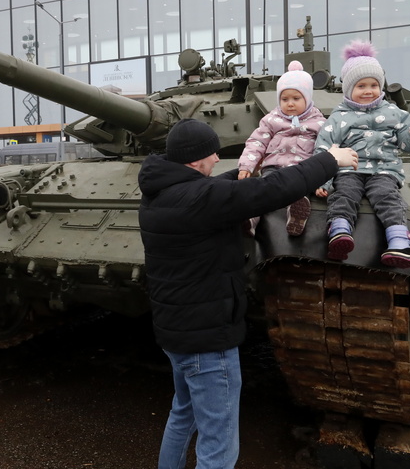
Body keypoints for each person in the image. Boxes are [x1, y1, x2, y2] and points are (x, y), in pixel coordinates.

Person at [138, 118, 358, 469]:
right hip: (207, 341)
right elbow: (270, 193)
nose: (216, 160)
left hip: (177, 333)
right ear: (196, 159)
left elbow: (221, 190)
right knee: (218, 444)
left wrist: (247, 172)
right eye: (213, 154)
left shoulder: (160, 192)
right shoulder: (203, 198)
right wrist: (329, 160)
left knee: (183, 415)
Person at [314, 40, 410, 268]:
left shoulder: (393, 112)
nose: (368, 91)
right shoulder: (339, 117)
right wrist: (324, 180)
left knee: (389, 199)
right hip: (350, 168)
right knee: (344, 195)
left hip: (384, 170)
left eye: (373, 85)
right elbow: (325, 147)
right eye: (361, 86)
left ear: (381, 87)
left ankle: (399, 243)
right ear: (349, 89)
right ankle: (340, 232)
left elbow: (407, 144)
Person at [237, 61, 327, 236]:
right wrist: (246, 165)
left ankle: (295, 215)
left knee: (299, 191)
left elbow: (323, 150)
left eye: (296, 98)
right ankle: (250, 221)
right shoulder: (271, 120)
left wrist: (323, 179)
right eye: (284, 99)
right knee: (262, 191)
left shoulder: (319, 123)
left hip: (302, 170)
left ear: (307, 98)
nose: (290, 104)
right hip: (274, 167)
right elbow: (257, 142)